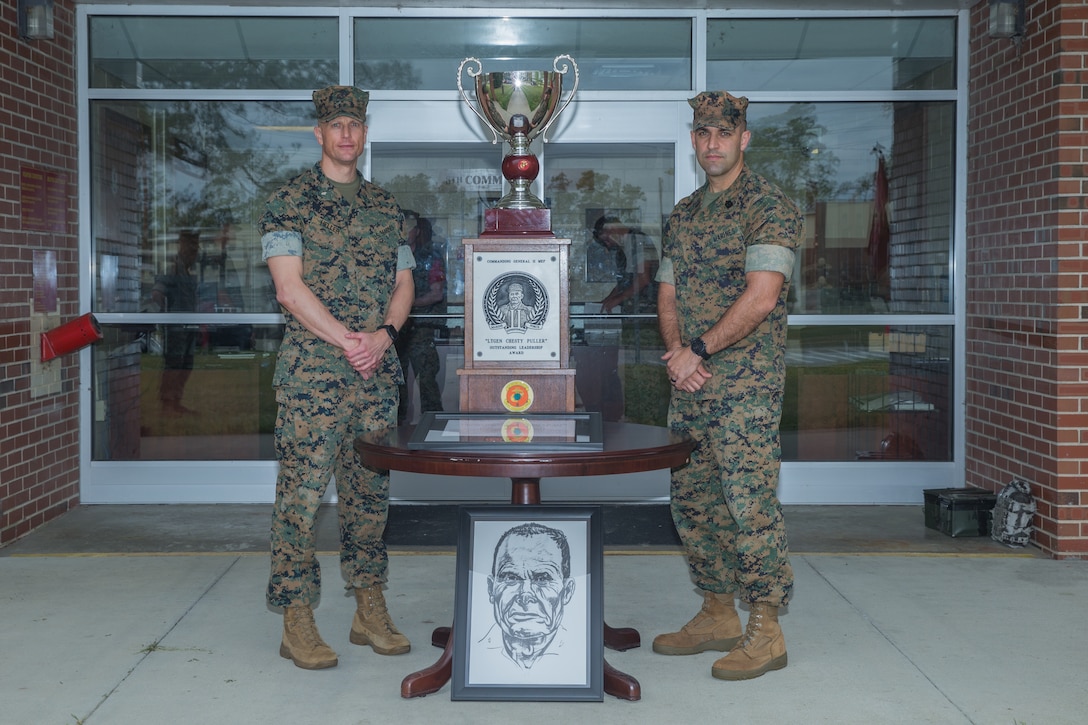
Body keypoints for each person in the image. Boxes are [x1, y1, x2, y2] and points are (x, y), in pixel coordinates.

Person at [259, 85, 415, 671]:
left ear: (364, 133)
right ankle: (296, 618)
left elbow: (404, 284)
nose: (346, 133)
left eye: (355, 123)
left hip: (374, 376)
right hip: (312, 380)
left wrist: (384, 336)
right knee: (300, 502)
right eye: (336, 125)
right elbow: (289, 289)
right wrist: (349, 340)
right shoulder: (289, 202)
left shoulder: (385, 206)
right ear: (319, 135)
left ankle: (367, 606)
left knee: (369, 499)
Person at [653, 90, 803, 681]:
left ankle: (766, 629)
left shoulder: (769, 206)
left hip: (744, 388)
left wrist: (698, 349)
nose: (711, 143)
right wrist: (675, 353)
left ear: (744, 138)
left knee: (750, 507)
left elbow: (761, 298)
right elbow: (667, 292)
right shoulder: (685, 214)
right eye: (702, 134)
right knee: (695, 505)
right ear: (693, 140)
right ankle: (717, 611)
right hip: (690, 387)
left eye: (723, 133)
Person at [480, 523, 576, 671]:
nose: (525, 595)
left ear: (567, 591)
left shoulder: (579, 655)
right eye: (511, 578)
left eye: (542, 579)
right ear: (491, 588)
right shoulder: (475, 652)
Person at [396, 211, 446, 423]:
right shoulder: (390, 256)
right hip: (396, 331)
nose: (406, 232)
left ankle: (435, 431)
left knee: (427, 383)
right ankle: (397, 433)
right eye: (403, 227)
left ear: (417, 231)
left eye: (410, 228)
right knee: (397, 385)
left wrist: (405, 304)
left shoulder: (430, 257)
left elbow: (436, 293)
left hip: (422, 328)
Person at [151, 229, 201, 416]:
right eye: (191, 247)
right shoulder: (172, 267)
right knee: (174, 364)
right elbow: (157, 293)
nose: (195, 253)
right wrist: (163, 318)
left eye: (196, 248)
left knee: (186, 364)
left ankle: (176, 402)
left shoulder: (187, 270)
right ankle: (168, 404)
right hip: (176, 328)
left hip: (189, 327)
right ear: (182, 245)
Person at [593, 215, 659, 314]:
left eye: (606, 239)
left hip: (645, 311)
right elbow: (623, 284)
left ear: (613, 228)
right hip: (632, 311)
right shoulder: (622, 250)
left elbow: (643, 278)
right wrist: (605, 302)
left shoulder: (637, 240)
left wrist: (618, 299)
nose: (608, 245)